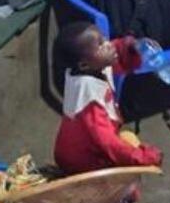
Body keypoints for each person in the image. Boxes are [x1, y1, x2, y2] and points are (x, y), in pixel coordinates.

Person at [52, 22, 163, 174]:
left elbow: (117, 50)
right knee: (128, 178)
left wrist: (129, 46)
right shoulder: (89, 100)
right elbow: (108, 142)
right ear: (84, 64)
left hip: (83, 148)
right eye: (100, 45)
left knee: (127, 138)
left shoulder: (91, 66)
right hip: (82, 162)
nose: (109, 45)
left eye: (104, 38)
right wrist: (144, 157)